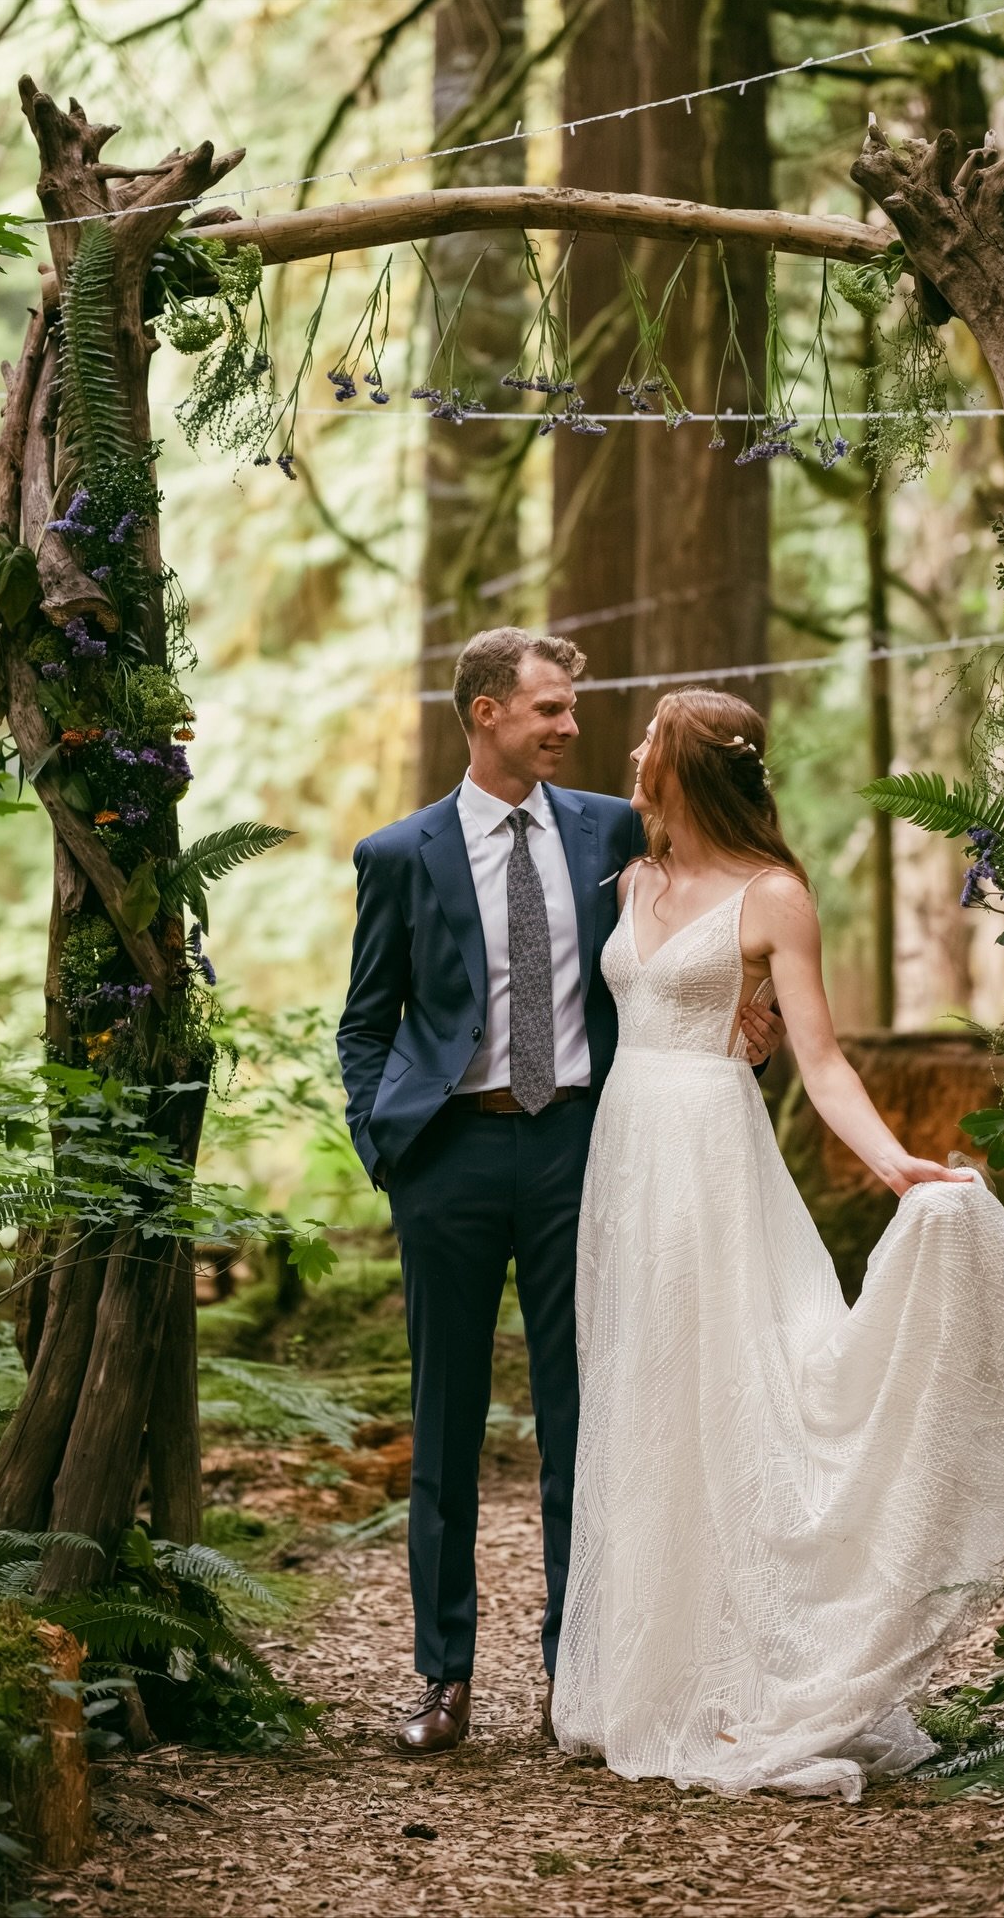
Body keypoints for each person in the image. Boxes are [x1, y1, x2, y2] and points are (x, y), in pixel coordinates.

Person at [551, 686, 1004, 1801]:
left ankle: (757, 1674)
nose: (635, 750)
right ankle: (648, 1671)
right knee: (643, 1392)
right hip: (626, 1151)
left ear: (688, 768)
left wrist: (895, 1165)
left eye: (652, 740)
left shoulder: (775, 895)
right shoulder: (635, 878)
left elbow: (823, 1057)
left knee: (734, 1386)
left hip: (710, 1152)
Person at [336, 632, 780, 1756]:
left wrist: (751, 1010)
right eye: (548, 709)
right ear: (485, 712)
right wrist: (386, 1148)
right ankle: (443, 1678)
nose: (570, 726)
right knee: (444, 1423)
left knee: (586, 1419)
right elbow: (366, 1020)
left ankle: (573, 1675)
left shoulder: (612, 831)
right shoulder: (398, 855)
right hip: (447, 1157)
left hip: (585, 1150)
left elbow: (709, 913)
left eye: (572, 708)